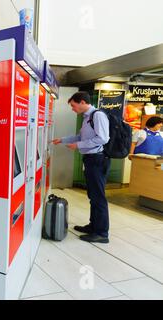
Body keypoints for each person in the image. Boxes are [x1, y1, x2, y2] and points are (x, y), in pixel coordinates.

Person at [52, 91, 111, 244]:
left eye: (73, 105)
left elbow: (103, 139)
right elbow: (80, 137)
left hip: (98, 159)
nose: (72, 109)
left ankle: (102, 233)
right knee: (93, 196)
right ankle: (93, 226)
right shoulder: (87, 118)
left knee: (98, 197)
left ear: (83, 102)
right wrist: (63, 140)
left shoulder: (98, 115)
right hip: (90, 159)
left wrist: (78, 146)